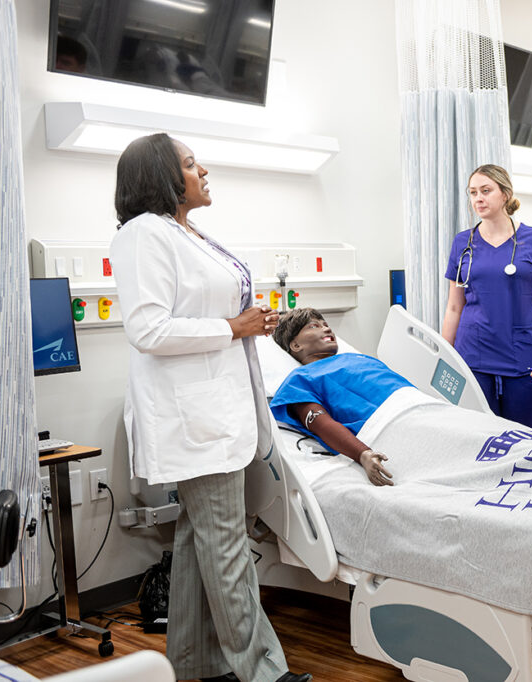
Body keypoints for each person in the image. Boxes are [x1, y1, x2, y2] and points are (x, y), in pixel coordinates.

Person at [109, 133, 309, 682]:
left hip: (219, 410)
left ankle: (198, 662)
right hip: (193, 419)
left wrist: (248, 323)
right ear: (161, 177)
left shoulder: (186, 233)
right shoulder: (143, 234)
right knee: (225, 544)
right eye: (191, 164)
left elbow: (204, 310)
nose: (203, 171)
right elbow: (148, 329)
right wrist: (232, 327)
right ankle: (262, 672)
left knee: (200, 539)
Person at [442, 164, 532, 428]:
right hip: (473, 357)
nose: (478, 198)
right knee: (479, 437)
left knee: (523, 437)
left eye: (486, 191)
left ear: (505, 194)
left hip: (525, 360)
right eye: (473, 192)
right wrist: (445, 358)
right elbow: (454, 307)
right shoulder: (463, 243)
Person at [270, 308, 413, 486]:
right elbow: (321, 423)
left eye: (326, 325)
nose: (327, 329)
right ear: (296, 345)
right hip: (390, 425)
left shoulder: (361, 358)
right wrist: (362, 453)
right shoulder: (300, 380)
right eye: (314, 326)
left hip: (416, 403)